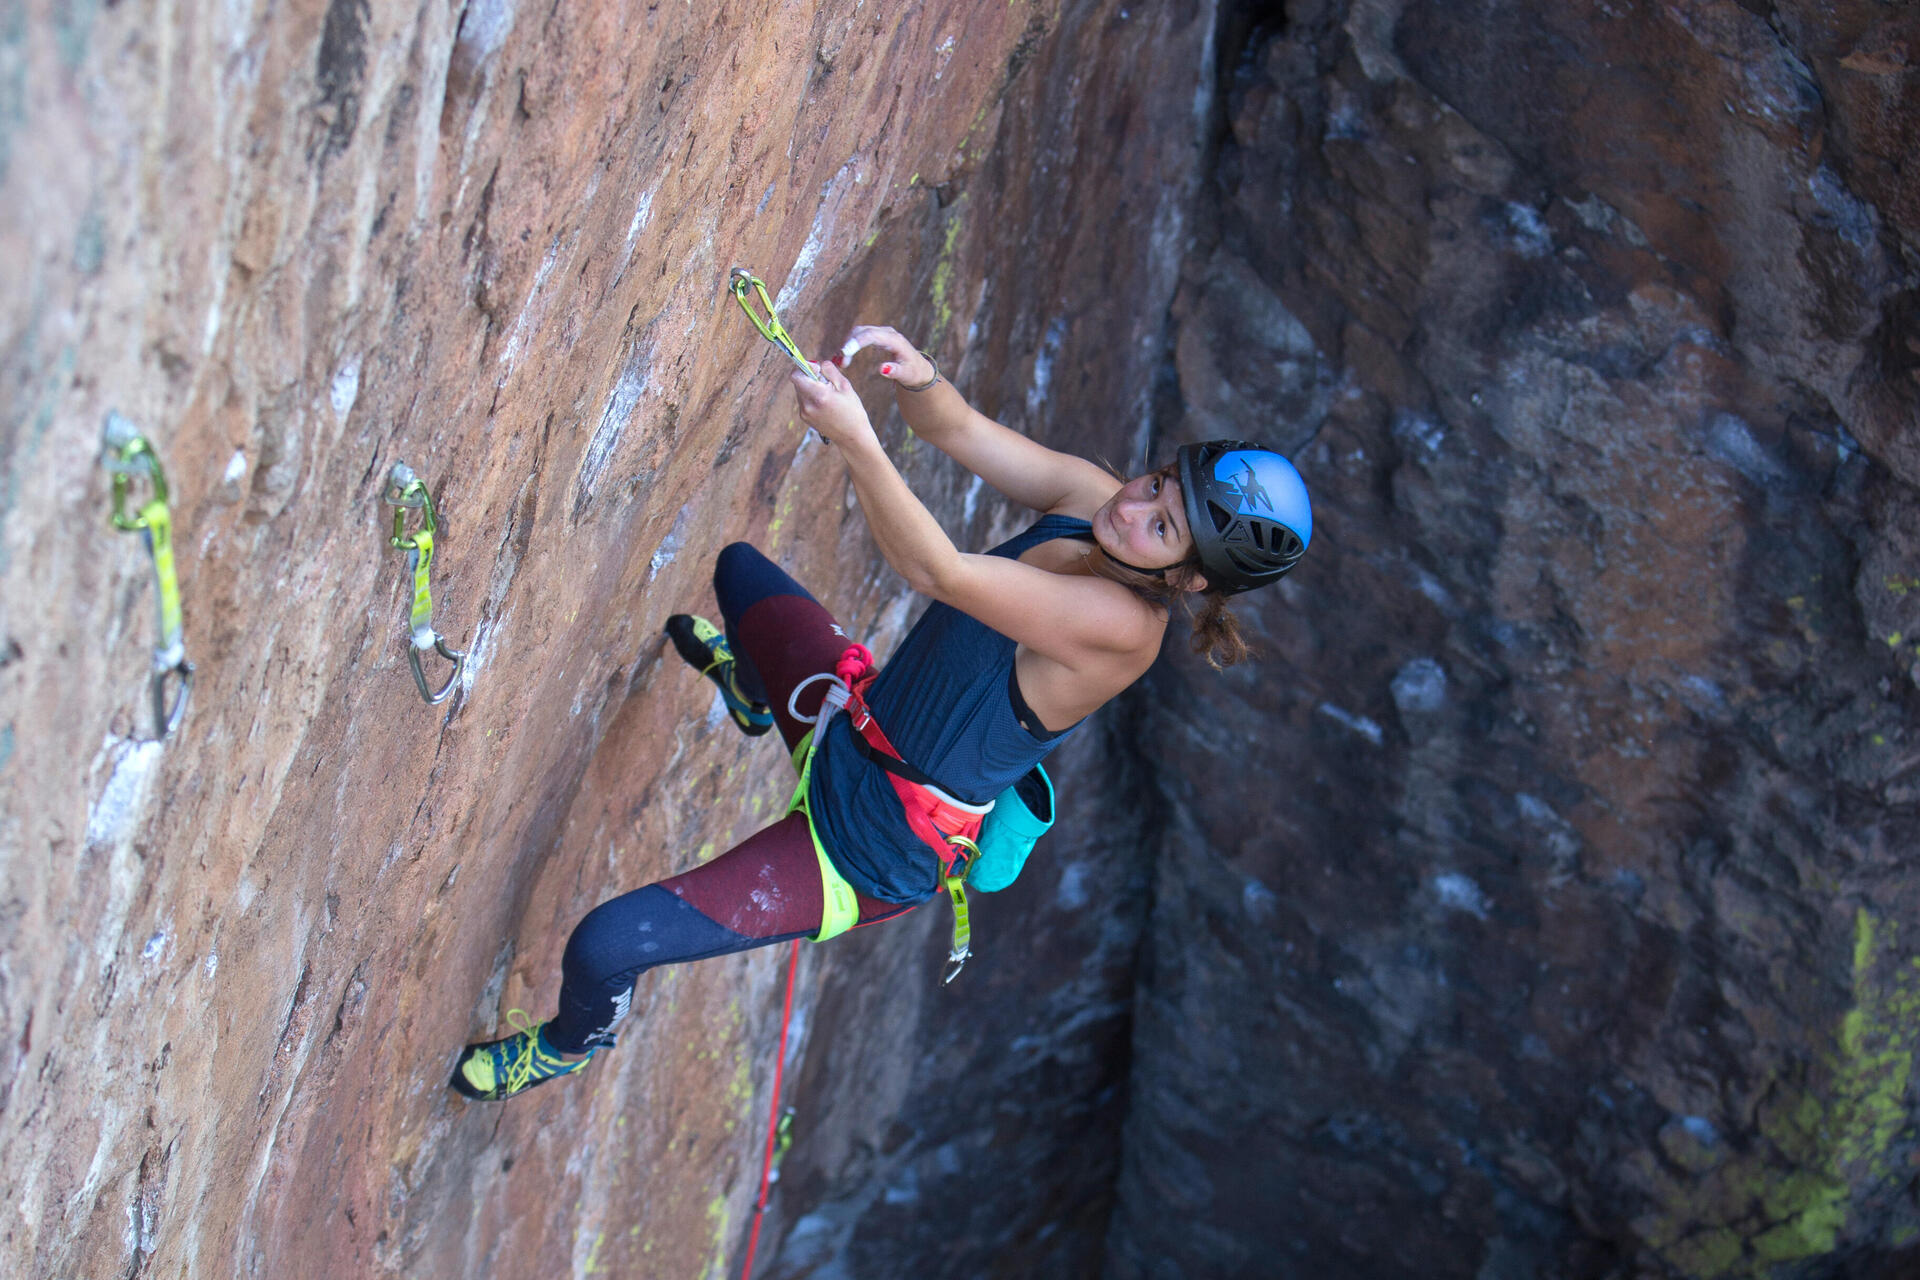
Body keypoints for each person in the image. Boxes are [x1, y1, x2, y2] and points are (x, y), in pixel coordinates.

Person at [451, 325, 1312, 1100]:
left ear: (1189, 582)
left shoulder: (1123, 629)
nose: (1131, 507)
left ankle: (572, 1042)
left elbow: (944, 575)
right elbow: (962, 431)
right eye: (1155, 481)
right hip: (847, 726)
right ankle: (756, 700)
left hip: (862, 851)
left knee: (603, 946)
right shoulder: (1093, 500)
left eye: (1161, 526)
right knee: (741, 569)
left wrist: (857, 440)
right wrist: (921, 380)